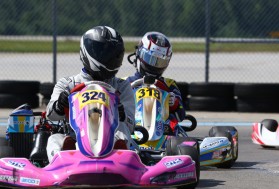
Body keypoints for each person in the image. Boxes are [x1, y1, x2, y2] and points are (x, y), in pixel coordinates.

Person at [46, 26, 135, 163]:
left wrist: (121, 114)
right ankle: (60, 165)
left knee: (122, 130)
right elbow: (50, 115)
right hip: (75, 141)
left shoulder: (122, 87)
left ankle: (122, 159)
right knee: (54, 139)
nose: (111, 58)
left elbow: (130, 125)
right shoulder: (68, 84)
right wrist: (59, 105)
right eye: (106, 54)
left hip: (110, 142)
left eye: (114, 54)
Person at [126, 32, 185, 133]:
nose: (154, 66)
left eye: (160, 62)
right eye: (150, 59)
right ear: (139, 54)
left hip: (163, 132)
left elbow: (181, 116)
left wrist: (174, 104)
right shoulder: (126, 83)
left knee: (174, 126)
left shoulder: (169, 85)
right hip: (132, 128)